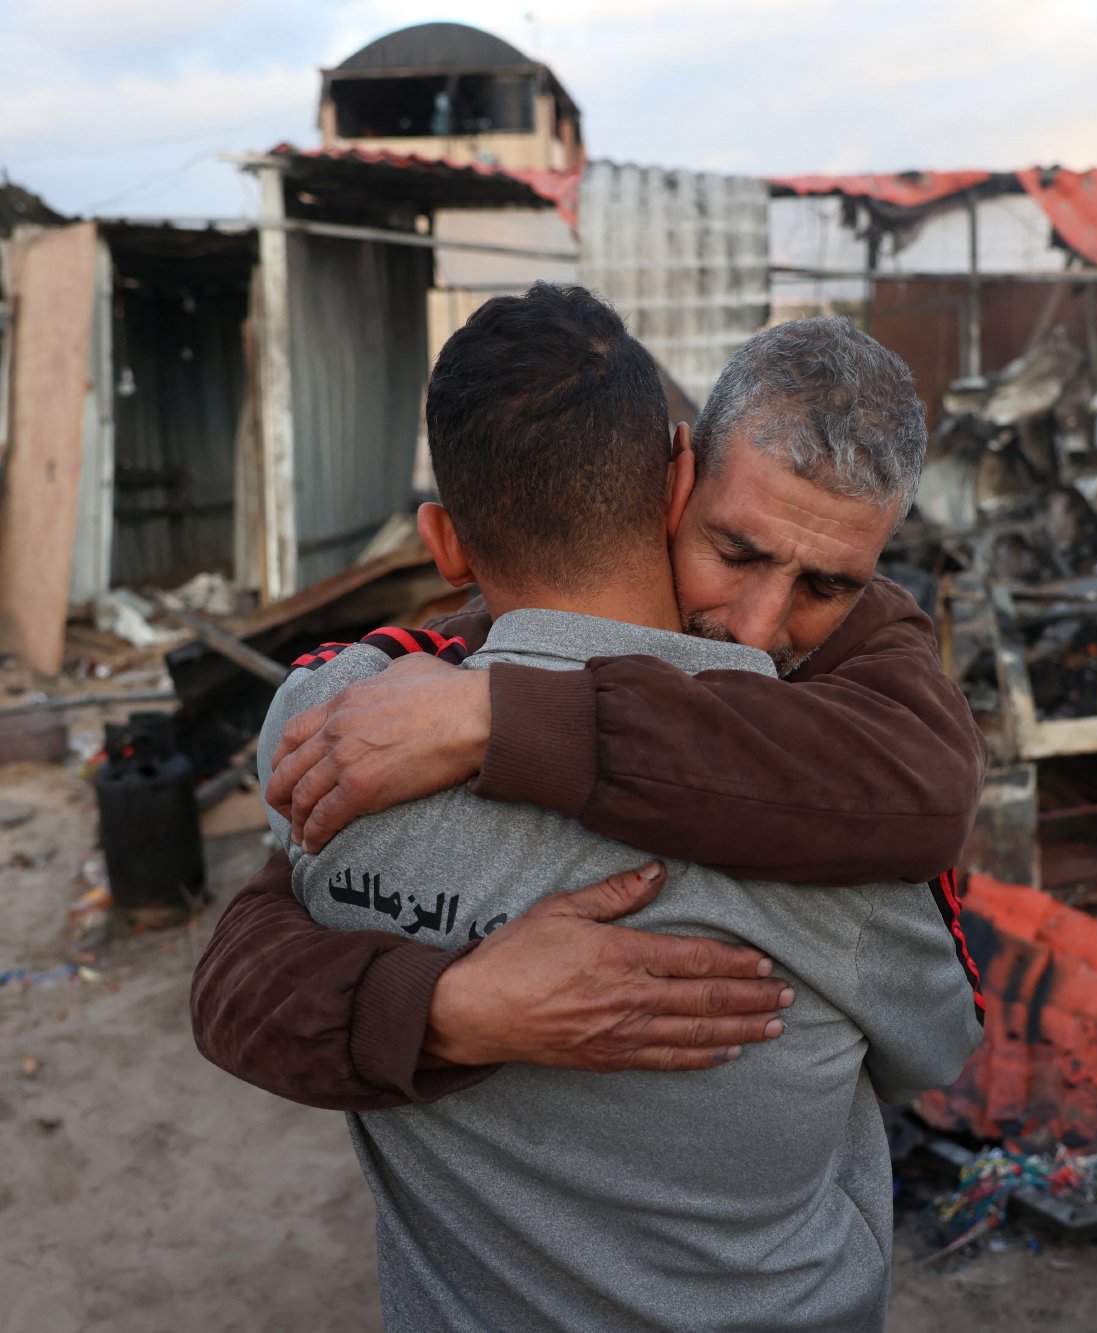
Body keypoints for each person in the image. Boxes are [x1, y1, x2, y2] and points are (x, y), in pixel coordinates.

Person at [254, 284, 982, 1330]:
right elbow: (937, 1047)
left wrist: (503, 720)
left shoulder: (329, 714)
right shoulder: (850, 867)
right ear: (677, 478)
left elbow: (931, 779)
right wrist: (451, 1005)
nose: (757, 630)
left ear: (443, 540)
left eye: (827, 586)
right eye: (734, 553)